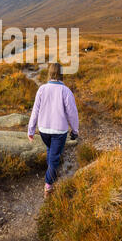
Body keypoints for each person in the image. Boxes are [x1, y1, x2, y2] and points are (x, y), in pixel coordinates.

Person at [28, 63, 79, 197]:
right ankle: (48, 185)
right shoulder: (66, 91)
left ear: (49, 73)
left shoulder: (42, 89)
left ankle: (52, 171)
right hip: (59, 132)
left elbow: (35, 111)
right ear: (61, 74)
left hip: (43, 130)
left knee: (51, 151)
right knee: (55, 157)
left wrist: (31, 130)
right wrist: (75, 130)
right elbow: (72, 113)